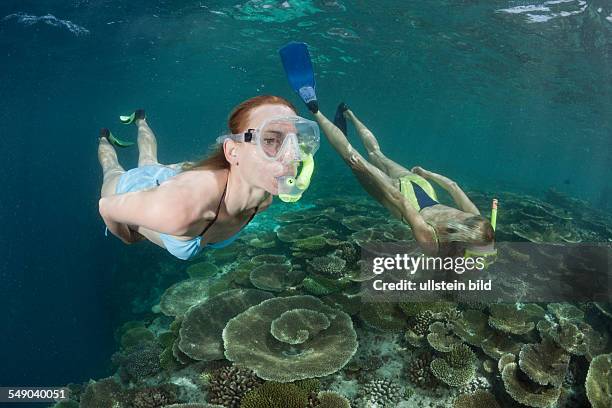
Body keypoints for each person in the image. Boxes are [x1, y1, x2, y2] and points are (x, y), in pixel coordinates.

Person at [279, 42, 496, 262]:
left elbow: (453, 186)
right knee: (352, 155)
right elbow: (400, 200)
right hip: (401, 195)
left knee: (377, 153)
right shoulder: (432, 241)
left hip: (421, 185)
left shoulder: (477, 219)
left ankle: (349, 114)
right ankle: (314, 109)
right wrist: (365, 169)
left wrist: (427, 174)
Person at [97, 95, 320, 260]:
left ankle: (140, 120)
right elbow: (106, 206)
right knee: (112, 168)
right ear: (233, 152)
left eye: (297, 140)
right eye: (270, 140)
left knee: (148, 160)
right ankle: (104, 138)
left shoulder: (263, 199)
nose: (293, 155)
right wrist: (130, 238)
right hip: (133, 187)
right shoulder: (182, 209)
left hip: (173, 179)